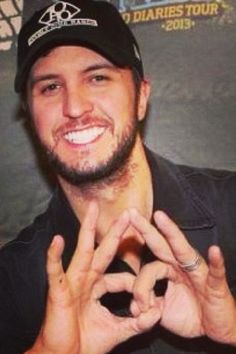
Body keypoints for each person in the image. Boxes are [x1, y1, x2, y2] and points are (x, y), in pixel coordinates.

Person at [0, 0, 236, 353]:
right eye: (50, 87)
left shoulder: (232, 205)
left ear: (141, 96)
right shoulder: (12, 281)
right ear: (31, 116)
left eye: (97, 77)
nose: (75, 107)